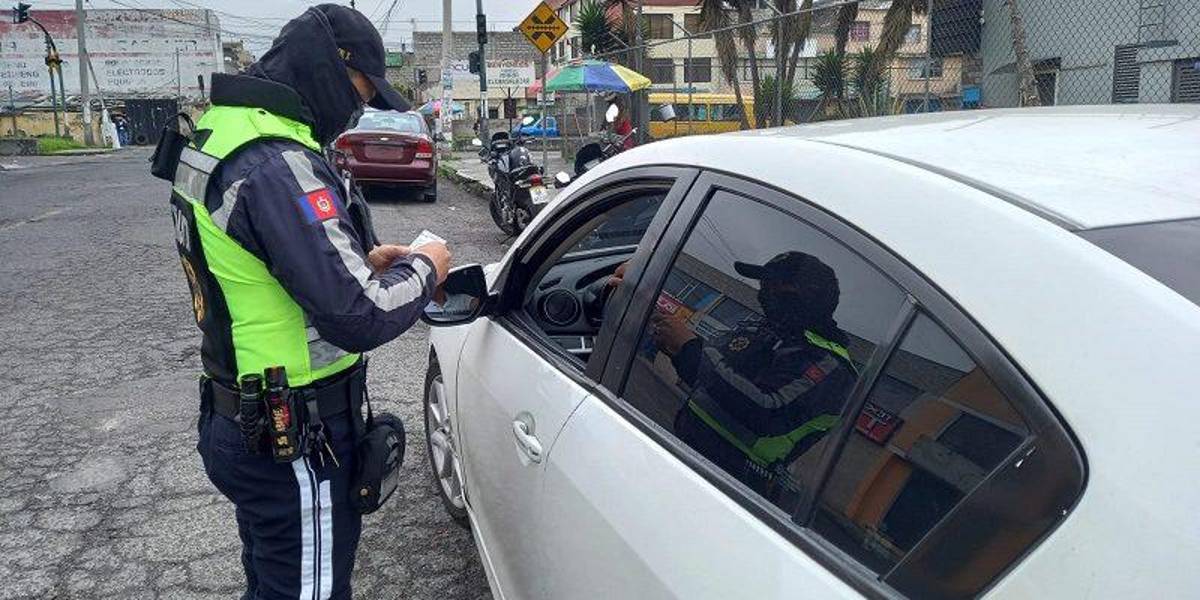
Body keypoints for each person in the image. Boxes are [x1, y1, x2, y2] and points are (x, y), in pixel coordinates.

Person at [157, 5, 450, 599]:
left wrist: (354, 265)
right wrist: (428, 267)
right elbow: (357, 316)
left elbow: (248, 264)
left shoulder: (225, 131)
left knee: (274, 584)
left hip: (241, 413)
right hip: (292, 435)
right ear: (328, 69)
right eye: (361, 91)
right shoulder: (274, 159)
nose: (357, 110)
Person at [651, 252, 856, 498]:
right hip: (676, 454)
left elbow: (766, 410)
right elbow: (708, 373)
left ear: (804, 296)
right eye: (763, 285)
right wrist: (663, 327)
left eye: (773, 286)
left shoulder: (832, 366)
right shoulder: (762, 329)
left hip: (731, 490)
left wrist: (690, 349)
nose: (763, 292)